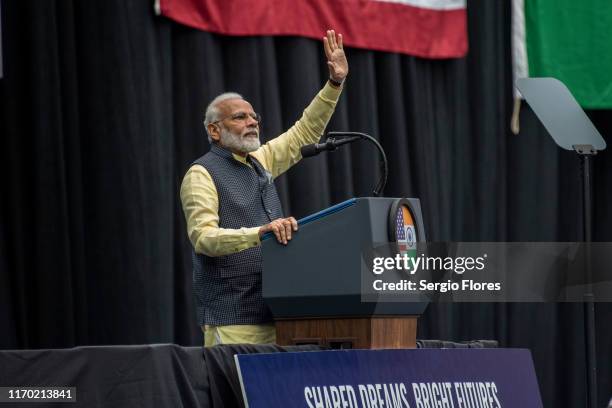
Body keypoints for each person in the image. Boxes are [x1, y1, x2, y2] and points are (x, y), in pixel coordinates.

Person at [180, 30, 348, 347]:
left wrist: (334, 84)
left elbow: (305, 132)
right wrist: (260, 232)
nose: (253, 121)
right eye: (240, 117)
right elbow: (203, 238)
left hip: (278, 315)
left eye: (254, 116)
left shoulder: (261, 160)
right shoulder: (201, 173)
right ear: (214, 130)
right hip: (233, 322)